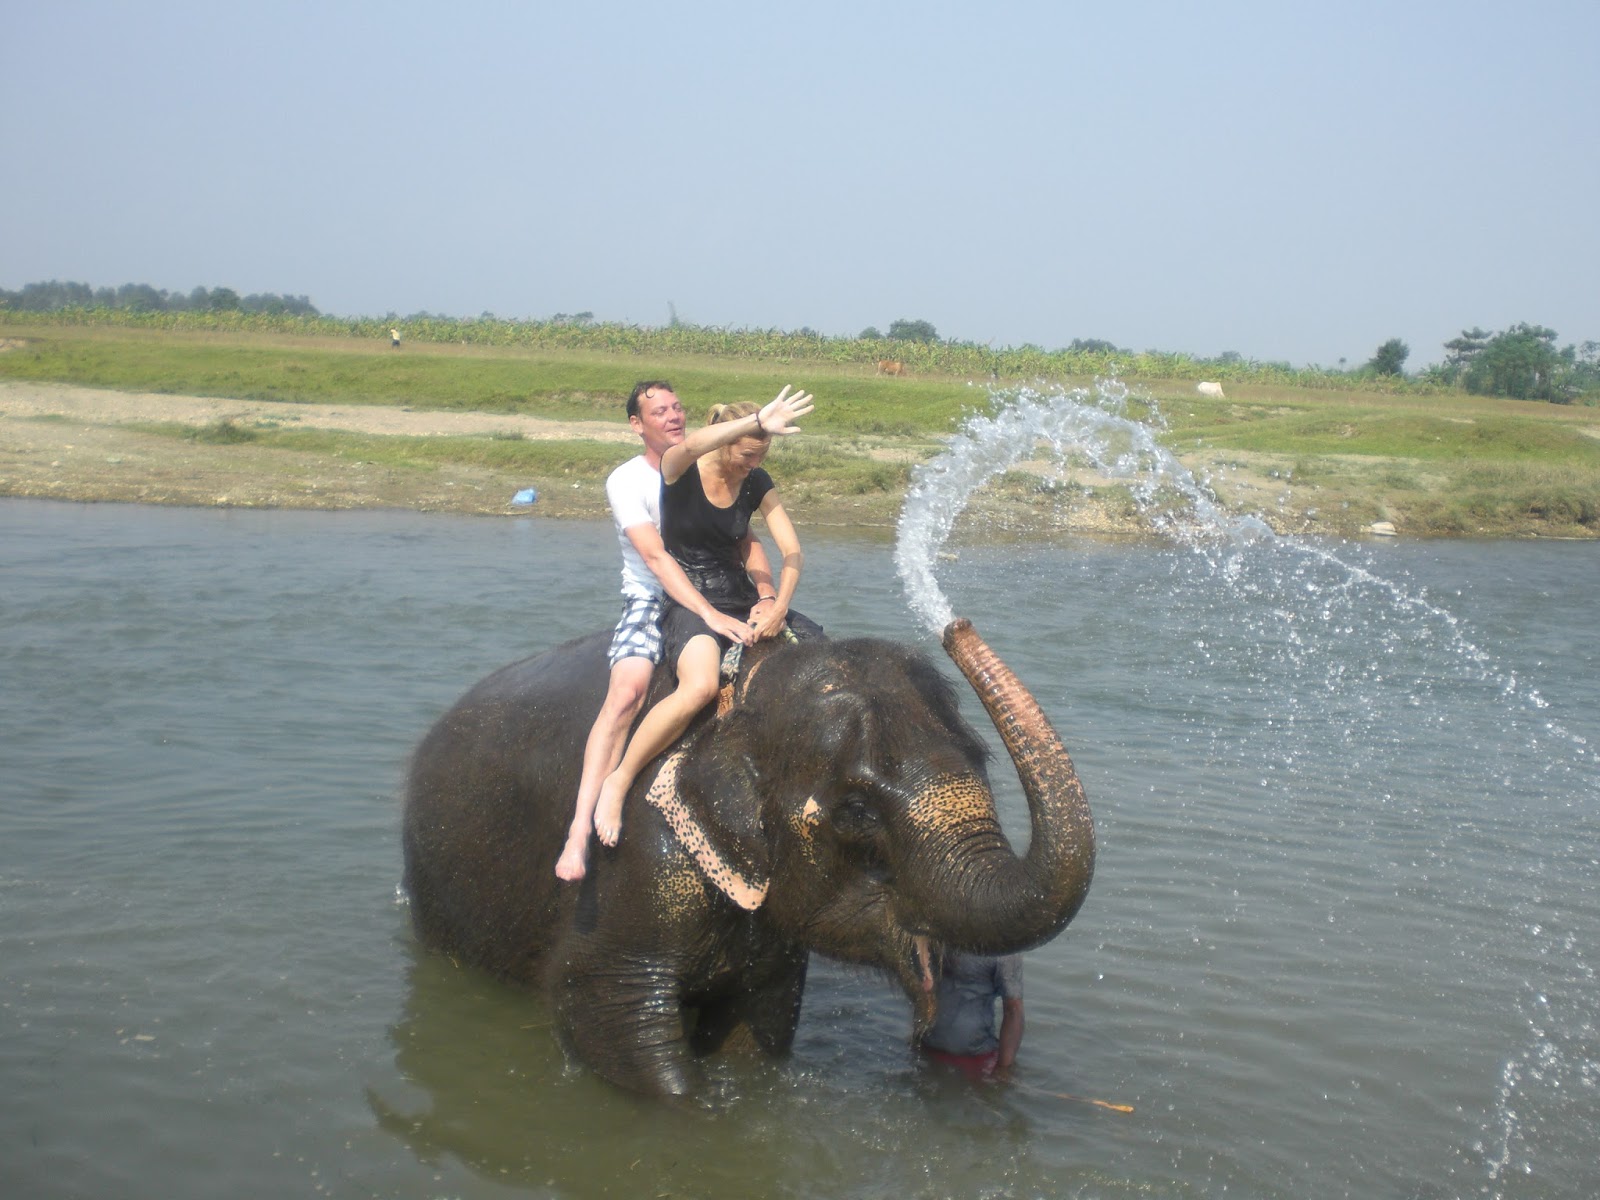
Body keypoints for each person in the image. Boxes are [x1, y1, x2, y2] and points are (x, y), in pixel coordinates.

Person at [555, 381, 771, 882]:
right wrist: (708, 614)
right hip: (652, 596)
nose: (673, 416)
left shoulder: (711, 467)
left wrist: (766, 596)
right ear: (637, 424)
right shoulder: (627, 480)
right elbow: (655, 557)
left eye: (677, 407)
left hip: (717, 594)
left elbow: (744, 537)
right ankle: (579, 828)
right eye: (659, 412)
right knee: (627, 692)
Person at [591, 387, 816, 848]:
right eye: (747, 455)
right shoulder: (680, 468)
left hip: (741, 595)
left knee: (821, 659)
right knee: (700, 687)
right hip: (690, 600)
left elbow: (792, 549)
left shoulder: (756, 480)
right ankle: (620, 779)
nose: (753, 464)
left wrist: (774, 603)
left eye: (761, 456)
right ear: (728, 441)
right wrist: (757, 419)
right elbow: (693, 443)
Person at [917, 949, 1024, 1081]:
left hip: (976, 1058)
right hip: (925, 1049)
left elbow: (1013, 1009)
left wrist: (1003, 1070)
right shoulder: (935, 938)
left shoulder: (1004, 950)